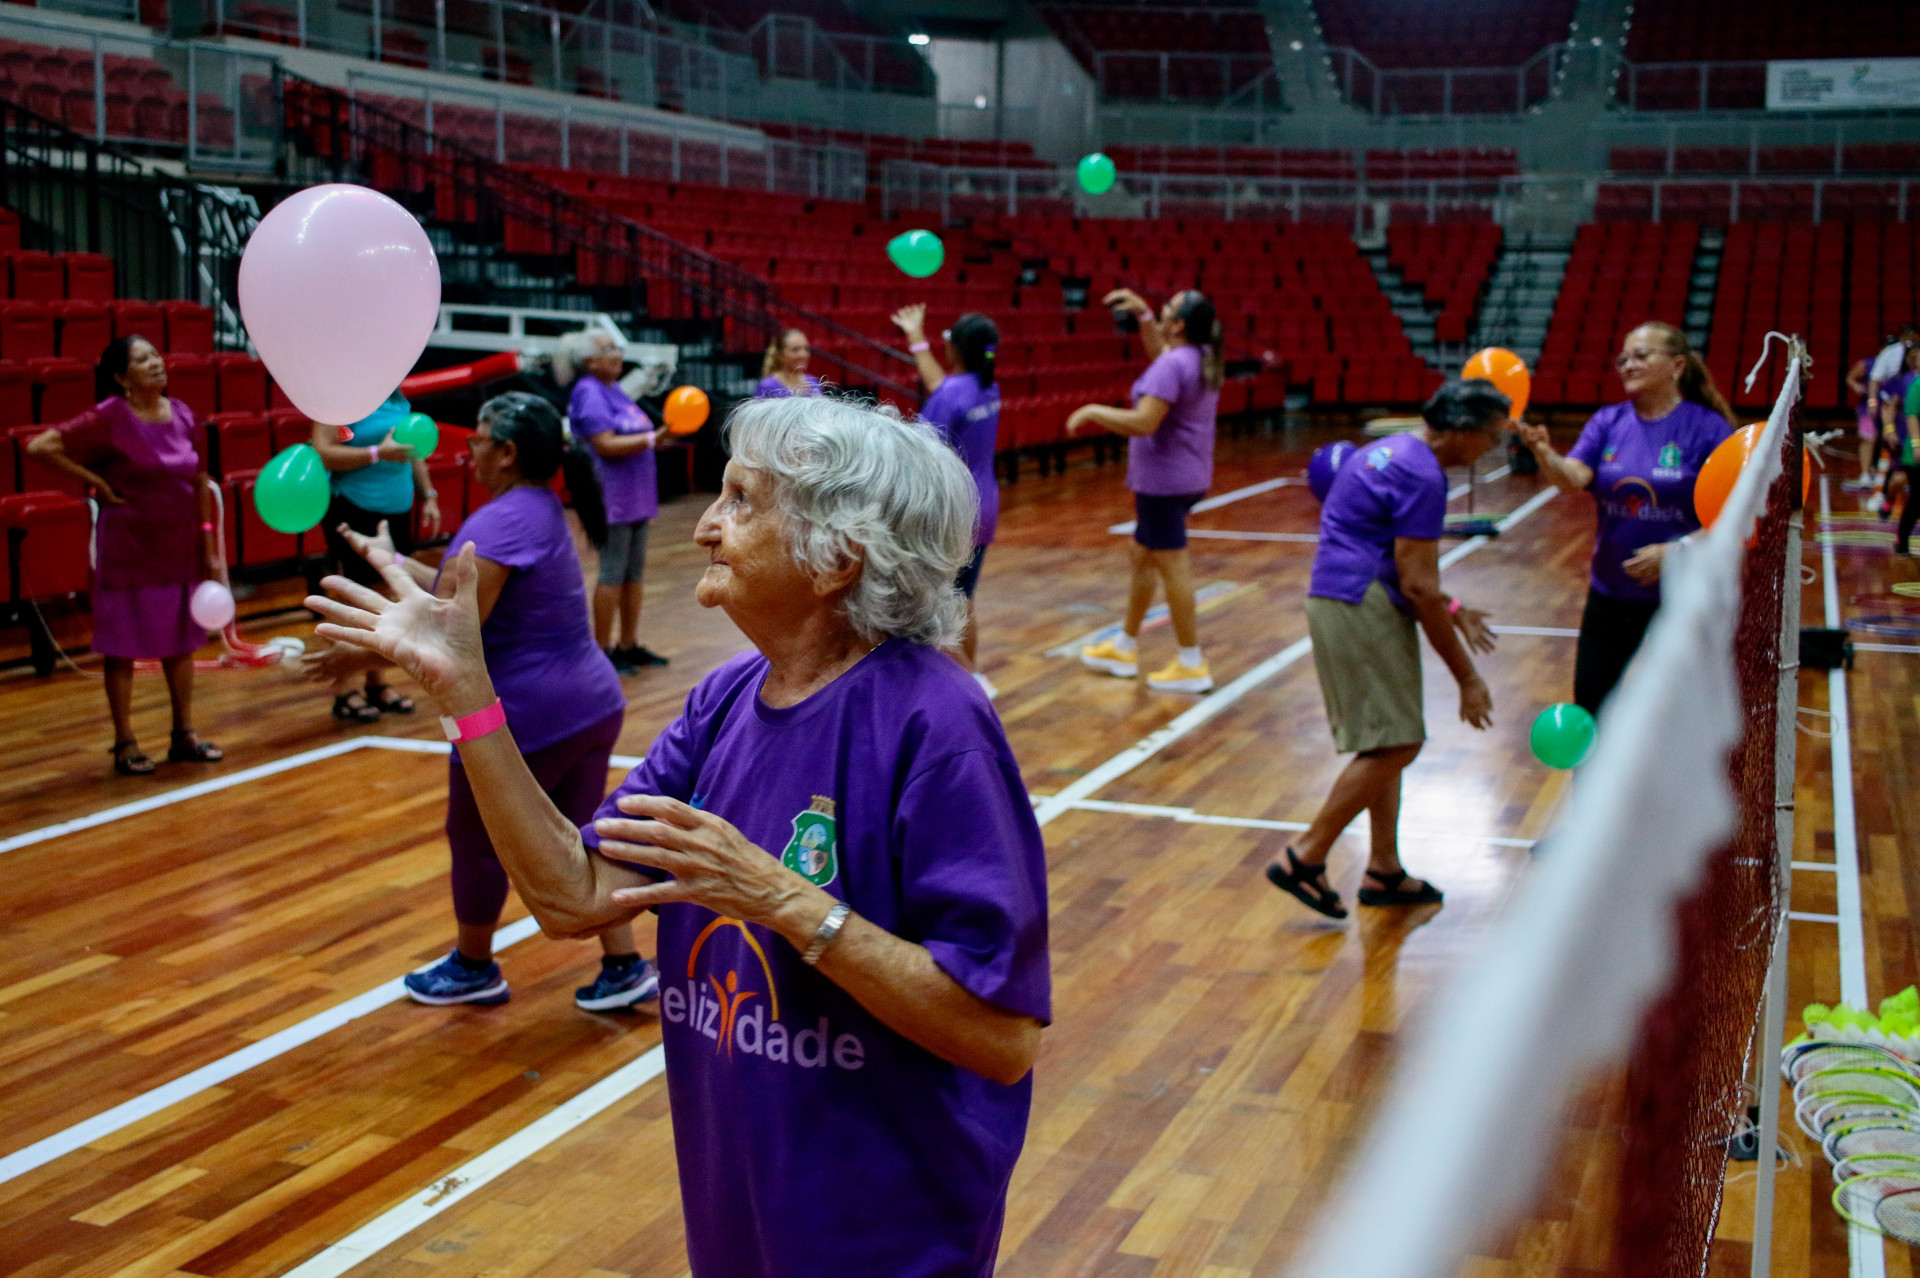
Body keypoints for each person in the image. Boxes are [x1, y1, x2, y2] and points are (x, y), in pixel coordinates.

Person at [307, 394, 1050, 1277]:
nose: (704, 527)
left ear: (837, 558)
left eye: (741, 501)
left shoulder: (939, 723)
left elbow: (1001, 1040)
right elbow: (572, 894)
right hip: (737, 1199)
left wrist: (784, 902)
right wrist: (467, 693)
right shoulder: (728, 696)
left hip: (885, 1227)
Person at [306, 393, 657, 1013]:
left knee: (474, 839)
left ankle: (473, 966)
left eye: (478, 438)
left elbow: (444, 636)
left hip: (526, 716)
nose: (467, 447)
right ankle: (623, 964)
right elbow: (450, 596)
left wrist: (351, 658)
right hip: (590, 703)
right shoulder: (533, 508)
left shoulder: (494, 524)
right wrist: (388, 561)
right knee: (583, 839)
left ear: (508, 451)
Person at [1265, 380, 1508, 920]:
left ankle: (1384, 868)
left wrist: (1452, 607)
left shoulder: (1388, 451)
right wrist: (1468, 678)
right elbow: (1417, 585)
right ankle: (1306, 856)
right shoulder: (1423, 474)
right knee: (1398, 745)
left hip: (1344, 594)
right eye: (1490, 436)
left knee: (1388, 738)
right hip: (1359, 604)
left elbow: (1397, 563)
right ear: (1464, 431)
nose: (1490, 448)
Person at [26, 336, 223, 775]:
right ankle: (124, 742)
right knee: (121, 648)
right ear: (121, 377)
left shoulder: (185, 414)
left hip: (179, 544)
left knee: (182, 643)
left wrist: (208, 546)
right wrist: (97, 481)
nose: (155, 363)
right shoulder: (109, 416)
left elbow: (200, 480)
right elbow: (40, 447)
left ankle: (184, 734)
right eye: (141, 359)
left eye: (155, 355)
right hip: (130, 548)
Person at [1518, 321, 1735, 715]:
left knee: (1681, 713)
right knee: (1591, 701)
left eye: (1641, 355)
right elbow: (1575, 478)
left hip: (1681, 595)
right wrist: (1544, 453)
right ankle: (1591, 779)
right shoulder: (1608, 421)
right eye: (1623, 359)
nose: (1628, 365)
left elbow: (1736, 517)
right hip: (1612, 590)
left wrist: (1677, 551)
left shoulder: (1707, 429)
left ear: (1676, 365)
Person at [1066, 288, 1224, 694]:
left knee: (1173, 567)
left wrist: (1093, 411)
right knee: (1142, 556)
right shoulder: (1200, 357)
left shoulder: (1175, 364)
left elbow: (1144, 422)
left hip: (1163, 483)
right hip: (1187, 476)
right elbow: (1163, 361)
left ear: (1180, 325)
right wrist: (1145, 316)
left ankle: (1191, 662)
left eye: (1167, 310)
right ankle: (1124, 645)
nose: (1163, 313)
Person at [309, 388, 440, 722]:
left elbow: (413, 450)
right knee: (351, 598)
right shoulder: (339, 397)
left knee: (386, 595)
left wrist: (429, 494)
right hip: (353, 506)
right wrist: (376, 454)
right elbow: (322, 451)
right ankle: (344, 690)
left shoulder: (398, 399)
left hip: (396, 508)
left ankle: (376, 683)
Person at [892, 302, 1001, 698]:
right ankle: (972, 677)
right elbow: (946, 388)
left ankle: (970, 682)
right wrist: (916, 336)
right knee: (962, 599)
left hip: (952, 511)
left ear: (955, 349)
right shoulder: (988, 385)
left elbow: (918, 450)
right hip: (985, 505)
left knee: (936, 604)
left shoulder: (952, 394)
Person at [554, 330, 668, 672]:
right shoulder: (588, 393)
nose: (617, 354)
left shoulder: (615, 390)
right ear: (588, 360)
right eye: (607, 350)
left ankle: (629, 644)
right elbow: (604, 444)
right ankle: (601, 651)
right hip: (612, 497)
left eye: (618, 347)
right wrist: (653, 439)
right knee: (612, 572)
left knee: (634, 573)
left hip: (637, 495)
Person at [754, 328, 822, 399]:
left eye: (806, 349)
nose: (803, 354)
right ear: (780, 355)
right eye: (795, 350)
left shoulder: (813, 382)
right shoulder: (768, 386)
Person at [1847, 350, 1878, 491]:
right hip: (1867, 409)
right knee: (1868, 439)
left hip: (1891, 408)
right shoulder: (1867, 364)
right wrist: (1857, 386)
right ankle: (1865, 474)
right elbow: (1850, 377)